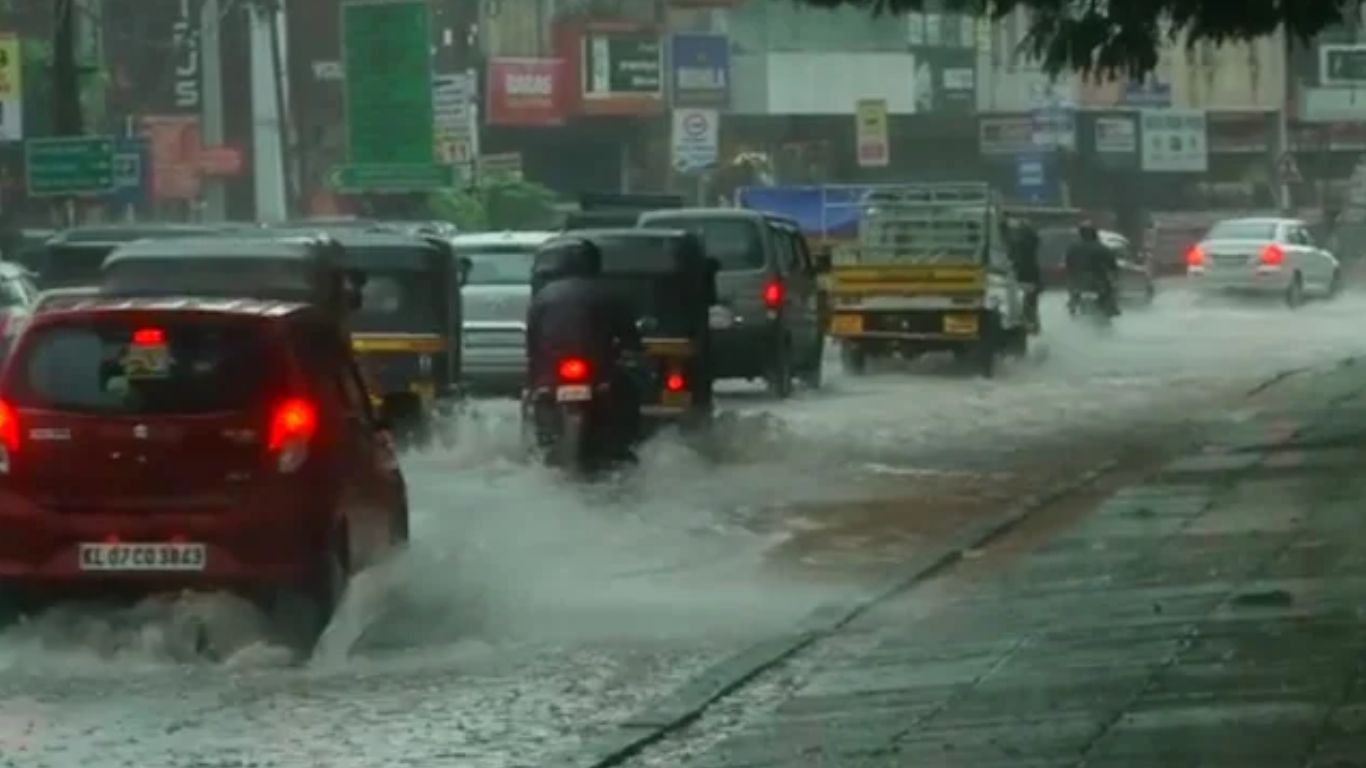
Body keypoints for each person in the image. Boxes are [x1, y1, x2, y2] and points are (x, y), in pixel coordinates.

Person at [526, 238, 643, 455]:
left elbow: (532, 342)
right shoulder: (610, 293)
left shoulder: (543, 297)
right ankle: (626, 447)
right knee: (629, 392)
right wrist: (634, 352)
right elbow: (629, 337)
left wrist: (537, 379)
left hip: (553, 372)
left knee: (535, 398)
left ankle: (542, 442)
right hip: (597, 369)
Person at [1064, 222, 1119, 317]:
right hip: (1097, 279)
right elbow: (1112, 264)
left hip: (1078, 280)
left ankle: (1072, 306)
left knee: (1073, 293)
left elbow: (1068, 262)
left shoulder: (1073, 247)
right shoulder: (1102, 247)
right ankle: (1111, 309)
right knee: (1109, 292)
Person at [1005, 216, 1042, 333]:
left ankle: (1028, 322)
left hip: (1020, 274)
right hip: (1030, 274)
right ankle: (1032, 323)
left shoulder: (1017, 243)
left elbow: (1011, 256)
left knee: (1024, 299)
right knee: (1030, 300)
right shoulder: (1032, 241)